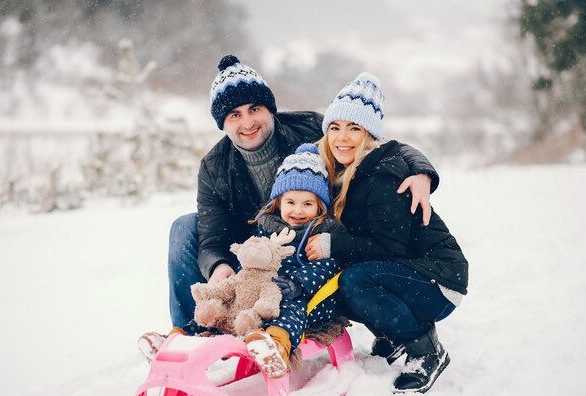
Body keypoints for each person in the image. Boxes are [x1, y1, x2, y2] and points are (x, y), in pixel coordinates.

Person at [138, 55, 440, 358]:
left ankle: (388, 322)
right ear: (222, 123)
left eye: (254, 109)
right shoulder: (214, 166)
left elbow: (374, 142)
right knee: (184, 226)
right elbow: (210, 232)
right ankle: (188, 333)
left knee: (360, 229)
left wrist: (420, 171)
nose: (247, 122)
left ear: (270, 108)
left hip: (311, 242)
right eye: (234, 115)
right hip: (252, 250)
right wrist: (218, 265)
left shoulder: (307, 128)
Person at [306, 72, 469, 393]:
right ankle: (393, 335)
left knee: (355, 280)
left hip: (440, 281)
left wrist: (332, 244)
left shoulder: (382, 175)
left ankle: (425, 350)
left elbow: (388, 246)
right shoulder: (343, 172)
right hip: (410, 273)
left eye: (355, 128)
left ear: (369, 136)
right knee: (333, 282)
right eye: (335, 127)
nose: (343, 137)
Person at [243, 143, 345, 378]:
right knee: (231, 297)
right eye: (290, 202)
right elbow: (252, 257)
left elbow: (328, 267)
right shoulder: (268, 226)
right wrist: (245, 277)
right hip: (265, 291)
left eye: (307, 204)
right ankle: (187, 335)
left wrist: (298, 284)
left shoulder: (322, 232)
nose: (298, 210)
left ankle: (277, 346)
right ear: (278, 202)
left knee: (289, 305)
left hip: (310, 298)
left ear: (319, 205)